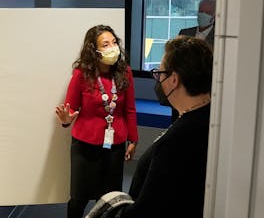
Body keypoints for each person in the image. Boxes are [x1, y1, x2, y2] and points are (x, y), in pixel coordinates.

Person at [86, 35, 213, 218]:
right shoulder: (207, 118)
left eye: (159, 74)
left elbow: (149, 209)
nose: (158, 80)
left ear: (174, 80)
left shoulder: (177, 141)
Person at [55, 25, 139, 218]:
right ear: (94, 49)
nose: (112, 47)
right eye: (105, 44)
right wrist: (66, 120)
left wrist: (133, 140)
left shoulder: (125, 72)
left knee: (109, 200)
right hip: (85, 146)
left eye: (114, 42)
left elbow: (130, 109)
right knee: (79, 199)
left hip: (115, 145)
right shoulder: (81, 74)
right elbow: (70, 110)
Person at [170, 0, 215, 122]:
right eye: (201, 11)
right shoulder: (184, 33)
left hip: (205, 96)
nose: (202, 15)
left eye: (207, 13)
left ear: (215, 16)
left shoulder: (219, 39)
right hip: (180, 92)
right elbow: (174, 61)